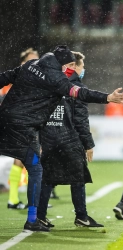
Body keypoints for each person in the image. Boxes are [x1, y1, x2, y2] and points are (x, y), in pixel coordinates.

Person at [0, 45, 123, 232]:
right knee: (35, 170)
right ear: (61, 63)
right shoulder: (56, 79)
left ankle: (35, 214)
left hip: (4, 121)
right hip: (25, 128)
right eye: (68, 64)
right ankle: (33, 219)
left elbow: (5, 77)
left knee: (34, 169)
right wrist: (107, 97)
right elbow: (81, 94)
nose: (70, 68)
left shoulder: (30, 65)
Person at [37, 51, 103, 228]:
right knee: (78, 178)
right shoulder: (76, 88)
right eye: (82, 66)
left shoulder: (49, 83)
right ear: (74, 66)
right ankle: (81, 216)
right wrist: (88, 144)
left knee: (47, 178)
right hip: (69, 139)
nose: (83, 70)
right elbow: (80, 119)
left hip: (49, 138)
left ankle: (39, 216)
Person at [7, 48, 39, 210]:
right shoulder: (20, 78)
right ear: (23, 63)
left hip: (28, 121)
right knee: (24, 159)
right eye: (31, 61)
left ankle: (22, 198)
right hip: (20, 122)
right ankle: (16, 199)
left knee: (27, 160)